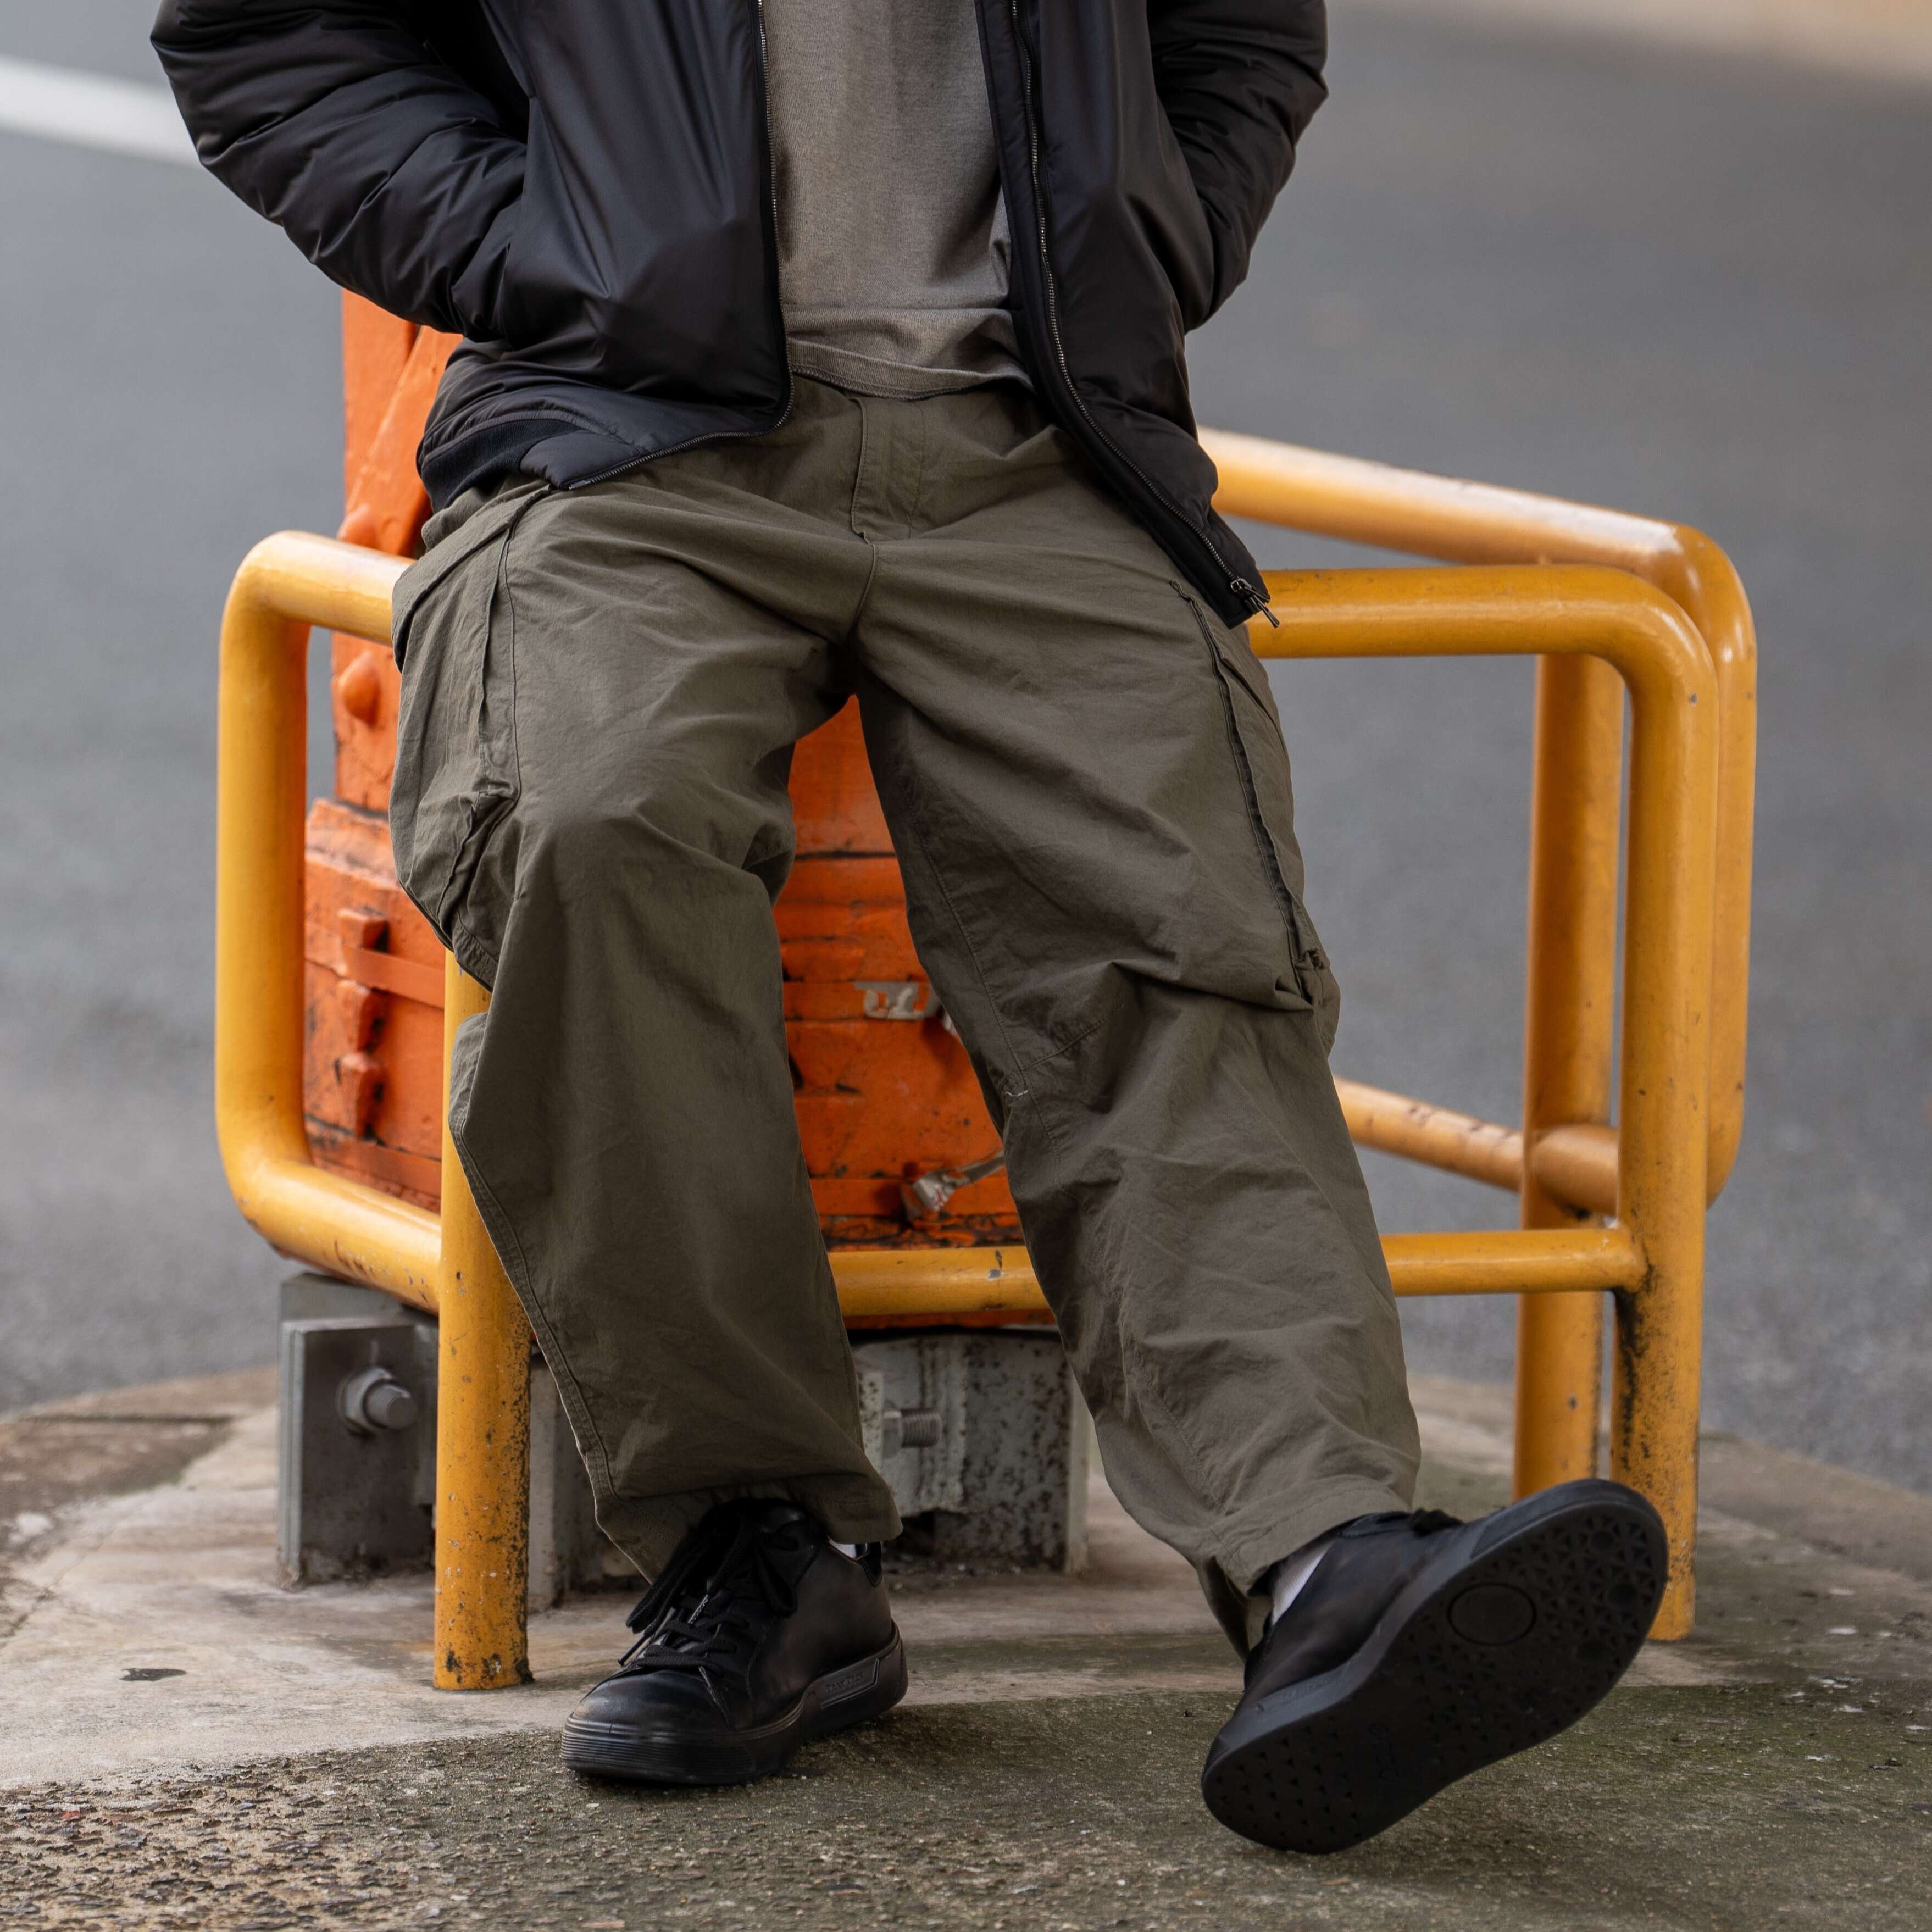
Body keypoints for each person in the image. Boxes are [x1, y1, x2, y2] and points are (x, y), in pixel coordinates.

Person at [155, 0, 1666, 1853]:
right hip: (632, 441)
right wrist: (538, 250)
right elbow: (261, 33)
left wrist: (1147, 238)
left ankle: (1322, 1564)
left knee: (1166, 914)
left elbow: (1244, 25)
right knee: (582, 830)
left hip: (1036, 438)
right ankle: (754, 1545)